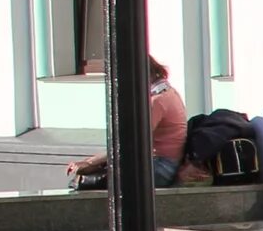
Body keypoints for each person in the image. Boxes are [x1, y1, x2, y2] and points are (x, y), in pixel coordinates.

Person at [65, 59, 188, 187]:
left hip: (161, 166)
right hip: (166, 163)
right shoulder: (168, 92)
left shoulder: (156, 102)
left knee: (85, 181)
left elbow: (130, 143)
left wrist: (91, 163)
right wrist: (91, 162)